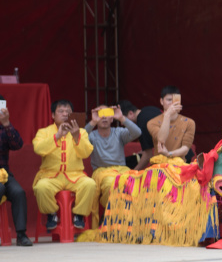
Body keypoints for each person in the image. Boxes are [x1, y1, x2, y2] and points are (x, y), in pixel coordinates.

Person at [32, 100, 97, 230]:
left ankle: (79, 214)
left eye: (68, 112)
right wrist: (57, 136)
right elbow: (38, 149)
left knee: (90, 184)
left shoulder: (81, 132)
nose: (65, 114)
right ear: (52, 115)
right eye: (61, 111)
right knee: (41, 187)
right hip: (50, 176)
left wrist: (76, 136)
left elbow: (86, 153)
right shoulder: (43, 132)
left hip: (75, 176)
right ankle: (52, 214)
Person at [85, 104, 142, 213]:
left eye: (107, 114)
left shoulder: (119, 132)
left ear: (112, 118)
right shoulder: (92, 135)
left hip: (122, 170)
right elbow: (78, 138)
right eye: (101, 114)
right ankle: (112, 216)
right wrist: (92, 122)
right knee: (111, 184)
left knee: (134, 183)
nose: (104, 117)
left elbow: (137, 132)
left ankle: (127, 217)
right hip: (102, 172)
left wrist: (121, 118)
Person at [0, 95, 30, 246]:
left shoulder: (4, 128)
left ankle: (21, 234)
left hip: (4, 174)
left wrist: (7, 124)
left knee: (18, 192)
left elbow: (18, 144)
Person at [146, 88, 195, 161]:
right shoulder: (152, 122)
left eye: (175, 100)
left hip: (179, 165)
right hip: (159, 165)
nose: (172, 103)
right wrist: (167, 115)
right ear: (161, 101)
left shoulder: (189, 122)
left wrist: (169, 154)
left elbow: (185, 148)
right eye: (169, 100)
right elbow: (161, 139)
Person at [133, 100, 164, 171]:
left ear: (130, 113)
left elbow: (148, 155)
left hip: (172, 160)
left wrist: (132, 173)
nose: (123, 124)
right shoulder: (149, 109)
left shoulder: (141, 123)